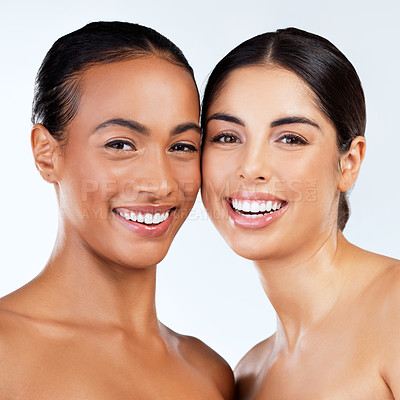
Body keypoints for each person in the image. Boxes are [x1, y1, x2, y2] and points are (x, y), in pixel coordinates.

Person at [0, 21, 234, 399]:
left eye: (182, 147)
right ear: (46, 154)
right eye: (121, 144)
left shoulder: (210, 374)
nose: (160, 184)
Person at [201, 27, 400, 399]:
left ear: (349, 162)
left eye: (290, 138)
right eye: (227, 136)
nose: (251, 167)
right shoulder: (247, 376)